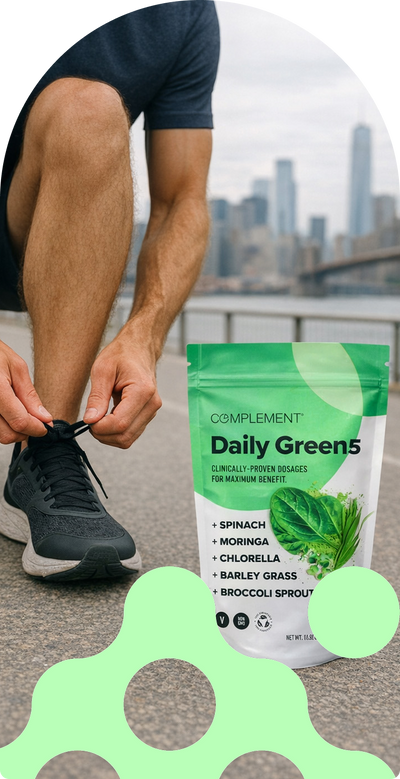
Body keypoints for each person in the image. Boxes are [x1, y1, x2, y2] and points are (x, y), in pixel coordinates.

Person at [0, 1, 220, 581]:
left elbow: (181, 199)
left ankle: (43, 447)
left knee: (89, 108)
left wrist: (144, 333)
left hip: (57, 226)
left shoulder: (185, 13)